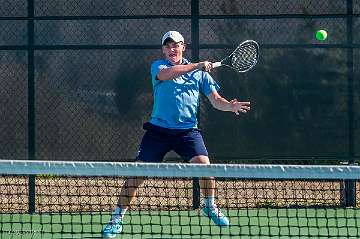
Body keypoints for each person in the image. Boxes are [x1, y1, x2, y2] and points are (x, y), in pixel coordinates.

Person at [102, 31, 251, 238]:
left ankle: (209, 206)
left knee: (206, 168)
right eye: (168, 45)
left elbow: (216, 101)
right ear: (164, 50)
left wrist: (229, 106)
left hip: (187, 132)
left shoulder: (201, 75)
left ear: (183, 47)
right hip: (158, 132)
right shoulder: (159, 67)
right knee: (137, 175)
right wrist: (197, 65)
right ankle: (116, 220)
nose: (172, 49)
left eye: (176, 45)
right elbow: (167, 75)